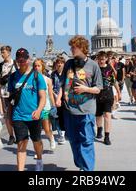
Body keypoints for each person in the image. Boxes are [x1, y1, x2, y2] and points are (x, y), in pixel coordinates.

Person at [58, 35, 102, 171]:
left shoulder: (93, 65)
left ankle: (88, 170)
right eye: (71, 47)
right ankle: (81, 164)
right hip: (69, 109)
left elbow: (98, 88)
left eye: (73, 47)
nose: (71, 49)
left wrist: (85, 89)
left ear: (82, 48)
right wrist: (59, 97)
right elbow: (61, 83)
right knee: (73, 140)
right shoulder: (68, 64)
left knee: (87, 141)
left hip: (86, 110)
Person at [7, 48, 46, 171]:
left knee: (36, 141)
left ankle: (39, 159)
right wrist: (9, 115)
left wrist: (39, 110)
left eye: (23, 60)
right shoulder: (13, 77)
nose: (21, 62)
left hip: (34, 115)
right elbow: (11, 98)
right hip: (18, 115)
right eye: (19, 60)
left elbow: (43, 97)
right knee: (21, 143)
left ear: (28, 59)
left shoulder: (36, 76)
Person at [33, 58, 56, 151]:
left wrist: (53, 106)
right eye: (35, 66)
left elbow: (50, 94)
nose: (36, 67)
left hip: (45, 107)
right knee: (36, 131)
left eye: (38, 65)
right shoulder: (31, 79)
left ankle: (51, 138)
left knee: (46, 128)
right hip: (34, 107)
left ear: (42, 67)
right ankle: (39, 150)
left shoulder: (47, 80)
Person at [95, 51, 116, 145]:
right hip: (97, 95)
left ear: (106, 59)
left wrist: (117, 93)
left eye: (103, 59)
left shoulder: (109, 68)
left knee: (107, 115)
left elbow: (113, 81)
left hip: (108, 94)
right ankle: (99, 128)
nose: (101, 61)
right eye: (99, 59)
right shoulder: (95, 68)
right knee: (98, 115)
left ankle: (107, 136)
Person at [0, 45, 17, 145]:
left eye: (4, 52)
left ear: (9, 53)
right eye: (1, 52)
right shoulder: (0, 65)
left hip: (14, 94)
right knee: (6, 116)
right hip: (4, 94)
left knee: (15, 114)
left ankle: (18, 134)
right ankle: (11, 136)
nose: (2, 54)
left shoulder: (15, 64)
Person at [50, 56, 66, 144]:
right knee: (58, 115)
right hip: (56, 96)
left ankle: (65, 131)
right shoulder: (53, 74)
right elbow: (51, 86)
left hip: (66, 97)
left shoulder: (66, 73)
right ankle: (61, 133)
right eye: (58, 63)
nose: (59, 65)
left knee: (65, 115)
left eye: (61, 63)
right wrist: (54, 95)